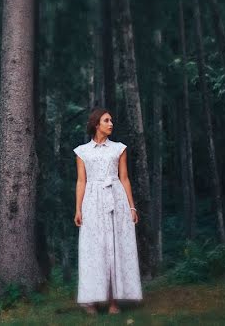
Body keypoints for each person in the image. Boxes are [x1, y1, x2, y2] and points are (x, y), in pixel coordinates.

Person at [73, 107, 142, 314]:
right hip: (92, 202)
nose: (111, 123)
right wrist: (78, 209)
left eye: (111, 120)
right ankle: (92, 300)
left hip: (116, 200)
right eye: (106, 120)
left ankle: (113, 302)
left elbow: (125, 178)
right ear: (96, 125)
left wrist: (131, 206)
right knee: (93, 249)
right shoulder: (82, 151)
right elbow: (81, 181)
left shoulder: (119, 148)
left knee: (114, 248)